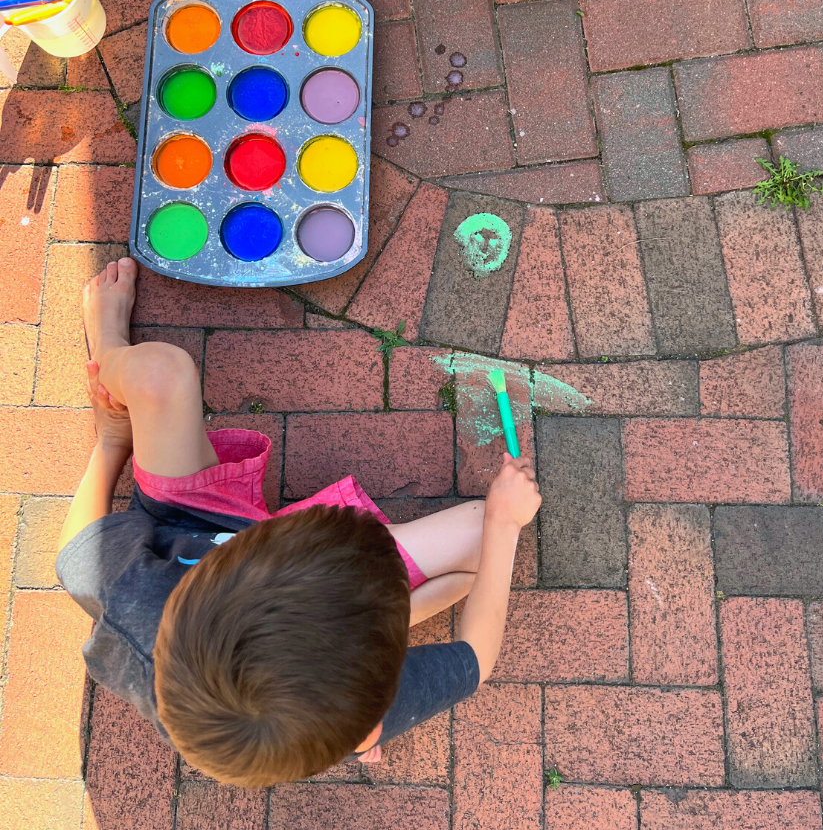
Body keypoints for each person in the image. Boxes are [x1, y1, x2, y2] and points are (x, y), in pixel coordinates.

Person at [56, 258, 541, 784]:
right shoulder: (350, 714)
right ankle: (380, 624)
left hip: (185, 518)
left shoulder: (139, 613)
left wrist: (110, 445)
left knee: (157, 375)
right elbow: (476, 656)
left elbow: (75, 557)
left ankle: (107, 348)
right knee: (482, 549)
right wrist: (503, 524)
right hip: (310, 635)